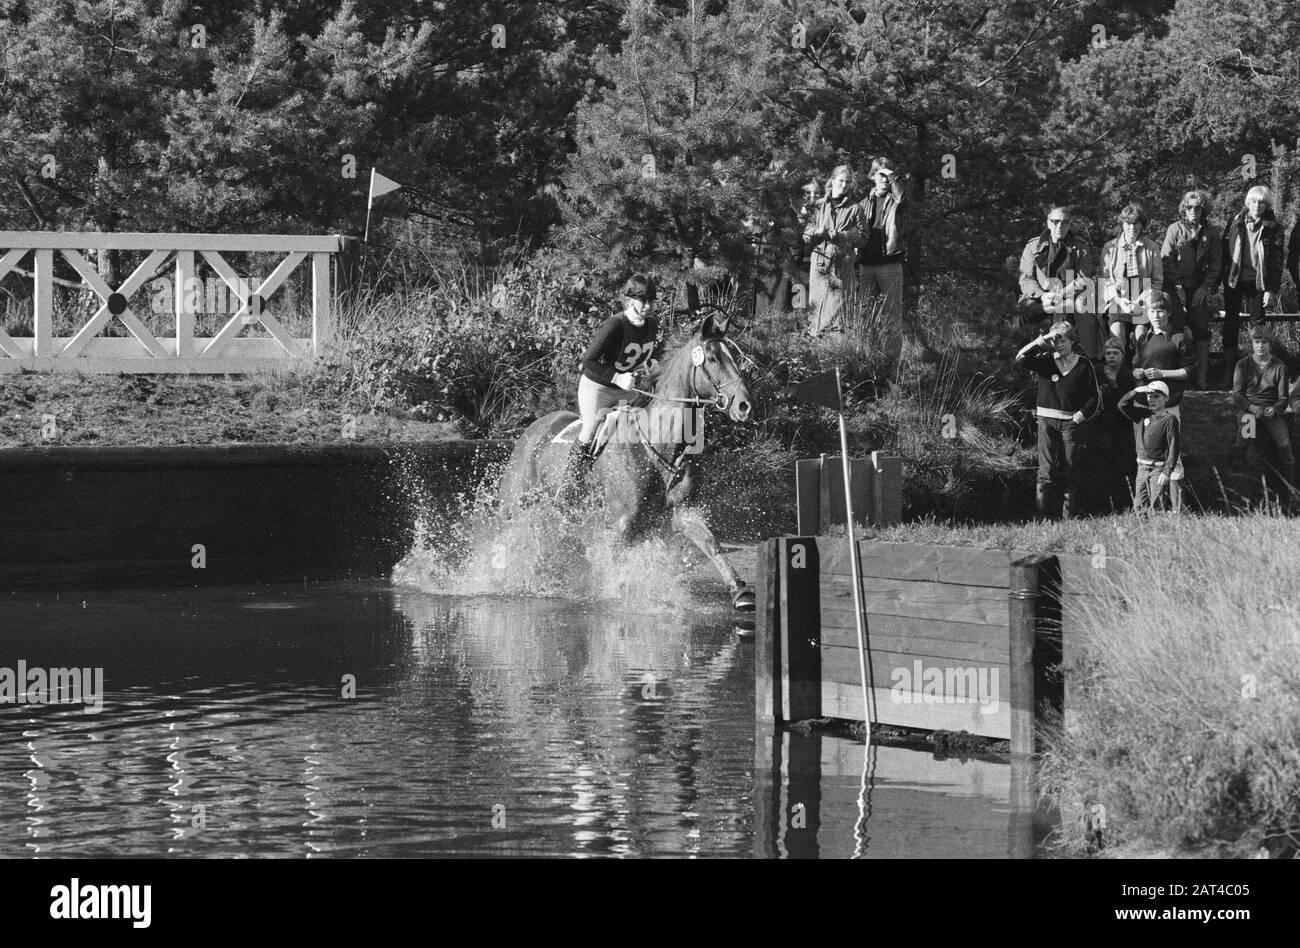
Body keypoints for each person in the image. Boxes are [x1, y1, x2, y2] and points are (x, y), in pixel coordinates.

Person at [559, 274, 660, 502]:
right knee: (591, 430)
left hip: (627, 390)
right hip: (598, 388)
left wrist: (652, 370)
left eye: (651, 300)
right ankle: (569, 488)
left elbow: (647, 355)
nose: (648, 305)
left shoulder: (652, 324)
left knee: (647, 426)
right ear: (629, 300)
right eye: (643, 300)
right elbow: (588, 361)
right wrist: (617, 377)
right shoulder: (614, 325)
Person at [1015, 321, 1102, 519]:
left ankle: (1067, 518)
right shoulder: (1045, 359)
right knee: (1045, 470)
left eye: (1062, 340)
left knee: (1069, 469)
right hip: (1046, 422)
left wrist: (1081, 415)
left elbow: (1094, 396)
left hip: (1070, 424)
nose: (1059, 345)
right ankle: (1041, 518)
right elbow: (1019, 359)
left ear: (1072, 341)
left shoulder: (1083, 364)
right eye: (1055, 341)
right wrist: (1041, 340)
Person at [1130, 294, 1192, 511]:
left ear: (1169, 313)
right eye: (1152, 311)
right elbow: (1136, 367)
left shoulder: (1178, 337)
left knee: (1173, 455)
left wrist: (1162, 373)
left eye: (1160, 311)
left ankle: (1179, 510)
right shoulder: (1143, 339)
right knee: (1146, 455)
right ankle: (1151, 508)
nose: (1156, 316)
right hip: (1144, 406)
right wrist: (1137, 371)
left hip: (1169, 405)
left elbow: (1188, 371)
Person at [1221, 185, 1285, 387]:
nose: (1257, 205)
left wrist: (1271, 289)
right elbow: (1224, 252)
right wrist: (1217, 281)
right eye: (1254, 201)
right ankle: (1228, 373)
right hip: (1235, 280)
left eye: (1262, 202)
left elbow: (1277, 261)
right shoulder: (1235, 222)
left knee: (1258, 328)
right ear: (1247, 203)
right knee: (1230, 324)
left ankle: (1257, 375)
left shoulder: (1274, 227)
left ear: (1266, 205)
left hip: (1259, 283)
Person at [1160, 190, 1222, 389]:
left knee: (1201, 329)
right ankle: (1176, 375)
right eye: (1189, 207)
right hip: (1175, 286)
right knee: (1177, 328)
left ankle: (1202, 377)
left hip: (1199, 287)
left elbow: (1216, 263)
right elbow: (1166, 260)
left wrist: (1205, 288)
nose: (1193, 211)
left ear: (1203, 209)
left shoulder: (1211, 232)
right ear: (1183, 208)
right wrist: (1177, 286)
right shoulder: (1174, 229)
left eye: (1198, 207)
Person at [1232, 326, 1296, 509]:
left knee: (1284, 447)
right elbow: (1237, 394)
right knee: (1247, 443)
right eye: (1257, 342)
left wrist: (1275, 410)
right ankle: (1244, 492)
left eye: (1264, 342)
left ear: (1270, 344)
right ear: (1251, 344)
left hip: (1271, 413)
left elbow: (1284, 397)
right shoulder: (1242, 365)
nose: (1261, 346)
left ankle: (1289, 496)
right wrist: (1250, 407)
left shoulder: (1280, 367)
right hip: (1249, 412)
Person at [1017, 205, 1095, 344]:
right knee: (1021, 314)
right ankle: (1020, 357)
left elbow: (1083, 280)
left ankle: (1060, 360)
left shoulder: (1080, 247)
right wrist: (1043, 296)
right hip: (1040, 297)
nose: (1060, 226)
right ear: (1048, 222)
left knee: (1063, 312)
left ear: (1070, 224)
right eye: (1055, 221)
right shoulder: (1033, 246)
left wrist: (1062, 294)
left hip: (1068, 296)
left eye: (1065, 222)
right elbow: (1026, 279)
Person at [802, 165, 864, 337]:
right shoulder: (819, 205)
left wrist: (839, 236)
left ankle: (836, 354)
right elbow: (806, 235)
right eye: (840, 181)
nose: (843, 185)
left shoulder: (855, 209)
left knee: (838, 316)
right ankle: (815, 352)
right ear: (832, 181)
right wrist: (815, 233)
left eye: (847, 182)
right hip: (819, 267)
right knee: (817, 314)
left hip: (841, 267)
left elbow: (862, 238)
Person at [1078, 335, 1137, 514]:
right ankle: (1098, 509)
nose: (1111, 356)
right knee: (1097, 469)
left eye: (1115, 353)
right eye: (1108, 353)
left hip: (1122, 429)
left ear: (1122, 355)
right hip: (1098, 427)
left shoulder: (1128, 376)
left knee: (1121, 468)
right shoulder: (1096, 372)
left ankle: (1123, 507)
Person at [855, 156, 907, 356]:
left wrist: (893, 176)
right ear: (872, 176)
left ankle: (891, 365)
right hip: (866, 266)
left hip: (890, 264)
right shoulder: (863, 203)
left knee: (891, 316)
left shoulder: (897, 201)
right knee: (864, 315)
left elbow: (902, 197)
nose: (884, 179)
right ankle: (865, 358)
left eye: (888, 175)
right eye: (880, 174)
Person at [1099, 202, 1163, 353]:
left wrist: (1141, 299)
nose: (1132, 228)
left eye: (1136, 223)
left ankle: (1141, 371)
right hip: (1118, 298)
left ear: (1142, 225)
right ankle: (1118, 373)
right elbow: (1104, 279)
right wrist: (1118, 299)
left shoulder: (1152, 247)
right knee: (1116, 332)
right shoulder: (1110, 247)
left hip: (1143, 298)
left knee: (1142, 334)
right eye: (1128, 223)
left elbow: (1157, 280)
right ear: (1122, 224)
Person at [1118, 381, 1181, 513]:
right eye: (1148, 396)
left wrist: (1167, 470)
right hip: (1142, 467)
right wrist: (1134, 392)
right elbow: (1122, 405)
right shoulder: (1141, 415)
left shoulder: (1169, 419)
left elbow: (1174, 447)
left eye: (1156, 396)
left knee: (1156, 505)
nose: (1151, 399)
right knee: (1139, 505)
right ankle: (1141, 531)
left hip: (1158, 468)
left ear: (1166, 398)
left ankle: (1157, 531)